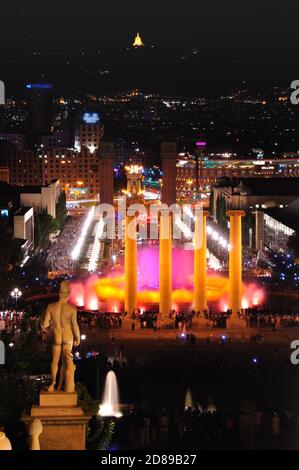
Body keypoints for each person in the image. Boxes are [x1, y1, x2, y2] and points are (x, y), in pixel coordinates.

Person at [41, 280, 80, 392]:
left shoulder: (51, 307)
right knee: (65, 360)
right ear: (68, 294)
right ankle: (62, 384)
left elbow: (45, 324)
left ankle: (53, 384)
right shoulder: (72, 309)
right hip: (68, 337)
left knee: (55, 360)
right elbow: (75, 326)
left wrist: (49, 325)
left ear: (59, 293)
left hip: (57, 337)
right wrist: (77, 337)